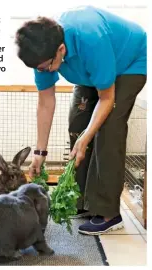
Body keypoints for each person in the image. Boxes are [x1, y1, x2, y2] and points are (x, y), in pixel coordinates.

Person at [15, 5, 147, 235]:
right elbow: (46, 102)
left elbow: (106, 99)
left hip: (128, 61)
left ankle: (109, 213)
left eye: (46, 67)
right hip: (92, 68)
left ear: (61, 50)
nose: (43, 72)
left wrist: (88, 137)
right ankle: (82, 201)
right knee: (78, 123)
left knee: (107, 128)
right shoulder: (40, 52)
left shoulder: (91, 38)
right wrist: (40, 153)